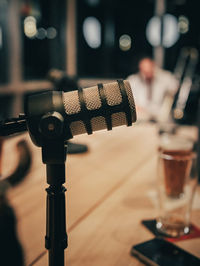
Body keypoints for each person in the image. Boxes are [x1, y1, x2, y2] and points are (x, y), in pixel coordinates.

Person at [127, 56, 178, 122]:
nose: (147, 73)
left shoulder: (164, 77)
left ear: (153, 67)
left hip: (159, 113)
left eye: (149, 69)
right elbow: (127, 98)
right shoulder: (133, 80)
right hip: (141, 114)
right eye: (144, 70)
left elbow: (175, 86)